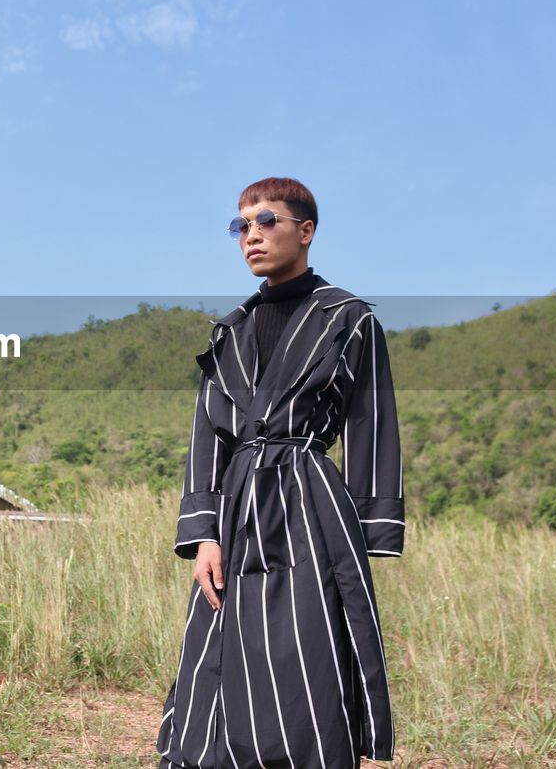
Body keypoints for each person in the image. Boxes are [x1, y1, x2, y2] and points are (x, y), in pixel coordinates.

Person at [156, 177, 405, 769]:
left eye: (266, 221)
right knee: (219, 645)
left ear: (306, 230)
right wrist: (204, 535)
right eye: (240, 225)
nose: (251, 236)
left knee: (303, 648)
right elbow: (207, 438)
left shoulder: (348, 319)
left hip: (308, 500)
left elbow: (372, 425)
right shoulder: (228, 333)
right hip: (236, 503)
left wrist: (369, 534)